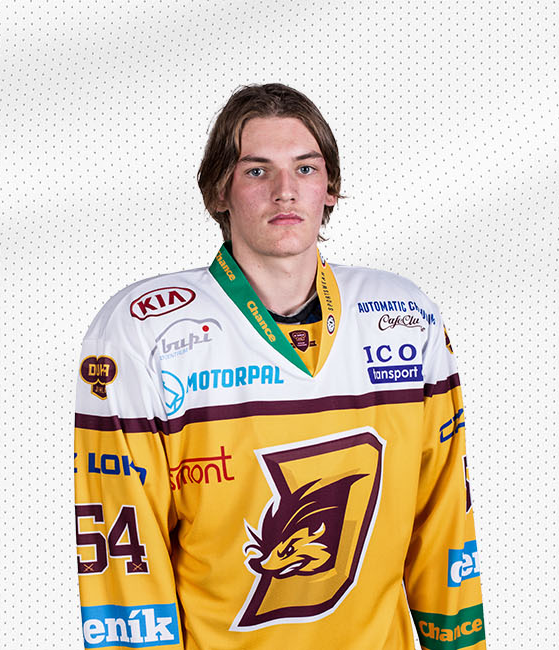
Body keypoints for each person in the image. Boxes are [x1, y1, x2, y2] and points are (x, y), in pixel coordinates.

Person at [73, 83, 484, 649]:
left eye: (306, 168)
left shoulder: (404, 317)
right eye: (257, 171)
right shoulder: (144, 329)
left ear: (330, 188)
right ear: (219, 190)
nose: (285, 191)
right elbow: (126, 555)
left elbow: (443, 522)